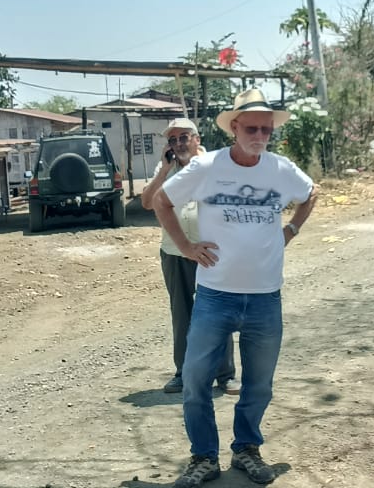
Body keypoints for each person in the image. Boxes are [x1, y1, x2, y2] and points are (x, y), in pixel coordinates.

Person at [154, 89, 317, 488]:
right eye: (251, 128)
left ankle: (246, 449)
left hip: (265, 297)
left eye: (266, 129)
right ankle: (203, 457)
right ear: (235, 128)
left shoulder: (280, 169)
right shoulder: (207, 166)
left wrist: (291, 230)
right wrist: (186, 247)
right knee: (195, 381)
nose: (259, 135)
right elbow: (161, 200)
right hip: (215, 295)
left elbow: (310, 194)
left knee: (258, 385)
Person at [140, 117, 237, 396]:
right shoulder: (166, 169)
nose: (179, 144)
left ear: (197, 139)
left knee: (217, 312)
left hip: (211, 252)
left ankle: (225, 375)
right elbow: (146, 202)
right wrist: (163, 171)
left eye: (183, 137)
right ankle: (184, 373)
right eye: (173, 140)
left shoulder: (216, 165)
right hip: (175, 251)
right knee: (182, 314)